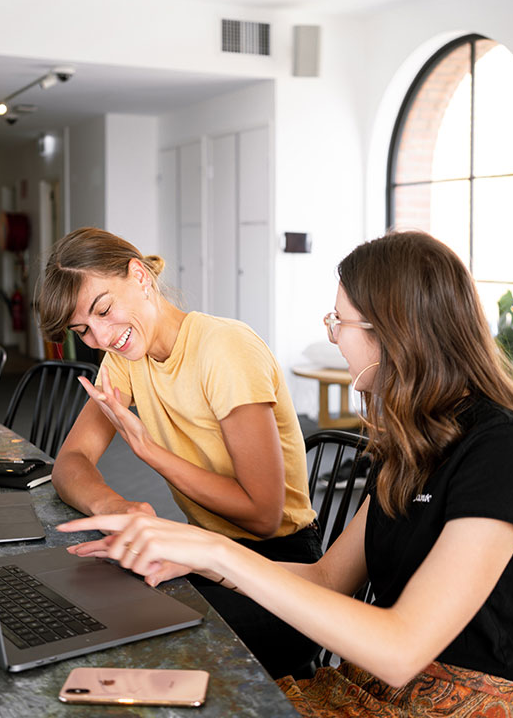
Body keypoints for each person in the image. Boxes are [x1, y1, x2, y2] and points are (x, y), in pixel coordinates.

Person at [58, 230, 513, 718]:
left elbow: (401, 650)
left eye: (339, 321)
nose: (333, 336)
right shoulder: (413, 443)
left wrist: (211, 550)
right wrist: (191, 557)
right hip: (363, 687)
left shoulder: (504, 452)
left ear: (394, 331)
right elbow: (328, 578)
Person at [37, 226, 322, 679]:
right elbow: (71, 462)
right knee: (90, 602)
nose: (102, 337)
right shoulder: (126, 358)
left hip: (281, 572)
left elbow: (264, 515)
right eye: (83, 330)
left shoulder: (224, 348)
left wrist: (149, 451)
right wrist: (116, 506)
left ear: (139, 276)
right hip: (204, 553)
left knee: (135, 638)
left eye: (104, 310)